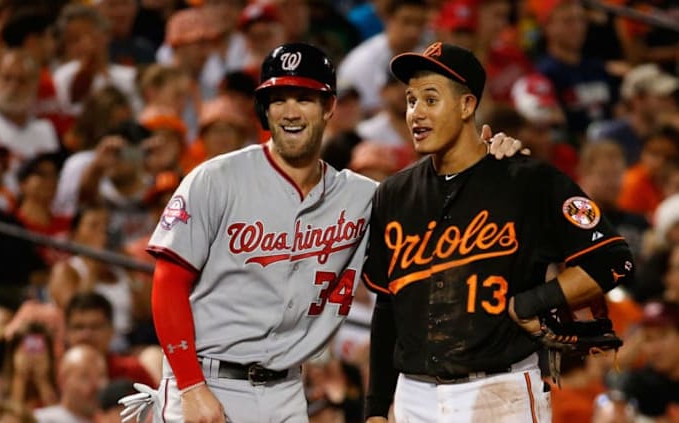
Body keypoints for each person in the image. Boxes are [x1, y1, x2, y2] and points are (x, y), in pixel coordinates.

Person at [139, 42, 524, 422]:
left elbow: (448, 226)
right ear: (264, 109)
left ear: (329, 108)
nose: (290, 112)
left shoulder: (363, 197)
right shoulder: (216, 178)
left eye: (304, 99)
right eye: (279, 99)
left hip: (288, 391)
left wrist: (485, 161)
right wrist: (190, 386)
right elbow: (169, 282)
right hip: (208, 379)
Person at [361, 42, 634, 422]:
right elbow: (389, 304)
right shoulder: (394, 194)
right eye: (410, 101)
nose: (416, 113)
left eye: (430, 99)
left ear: (466, 105)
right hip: (414, 394)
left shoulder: (526, 181)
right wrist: (376, 407)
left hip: (498, 390)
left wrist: (535, 300)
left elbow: (613, 261)